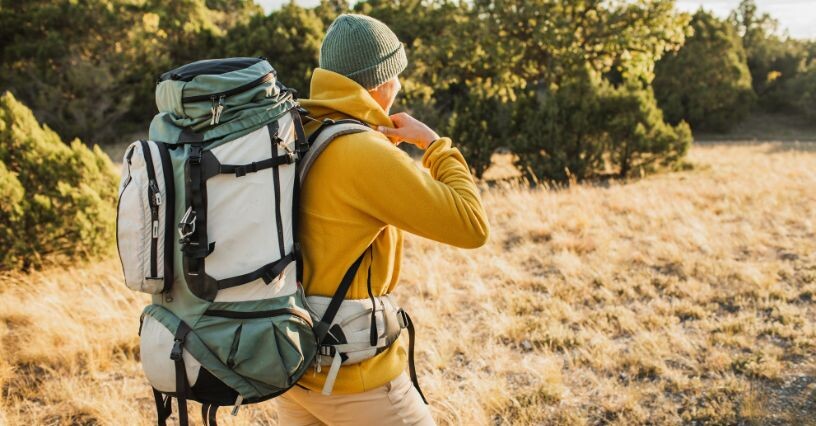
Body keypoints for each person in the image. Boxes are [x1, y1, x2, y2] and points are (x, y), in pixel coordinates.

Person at [275, 13, 490, 425]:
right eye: (397, 74)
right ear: (378, 82)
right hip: (359, 382)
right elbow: (471, 225)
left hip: (292, 369)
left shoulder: (296, 130)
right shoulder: (364, 152)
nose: (400, 85)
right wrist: (434, 144)